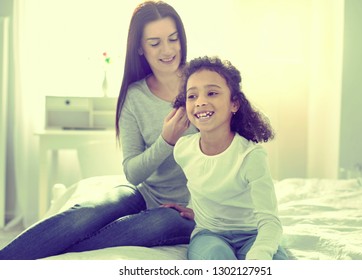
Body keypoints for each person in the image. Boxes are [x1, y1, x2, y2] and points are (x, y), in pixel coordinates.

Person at [0, 0, 197, 260]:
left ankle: (47, 251)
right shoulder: (134, 96)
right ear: (139, 47)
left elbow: (231, 154)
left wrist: (200, 209)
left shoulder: (203, 84)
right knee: (87, 212)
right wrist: (166, 141)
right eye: (155, 42)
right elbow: (132, 173)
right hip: (144, 193)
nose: (168, 50)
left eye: (173, 39)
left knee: (156, 223)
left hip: (188, 209)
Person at [165, 56, 288, 260]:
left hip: (253, 235)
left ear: (234, 104)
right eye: (192, 96)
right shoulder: (183, 149)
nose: (201, 102)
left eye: (212, 93)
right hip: (209, 235)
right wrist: (194, 209)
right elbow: (203, 181)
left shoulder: (251, 156)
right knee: (216, 257)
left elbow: (270, 222)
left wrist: (259, 256)